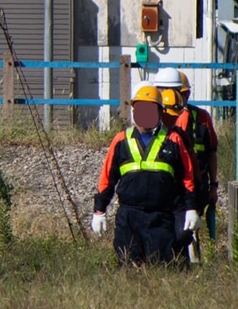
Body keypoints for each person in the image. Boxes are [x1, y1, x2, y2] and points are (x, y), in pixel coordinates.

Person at [92, 83, 198, 265]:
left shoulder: (173, 140)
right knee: (128, 265)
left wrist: (191, 208)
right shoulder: (121, 140)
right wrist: (99, 211)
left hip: (161, 217)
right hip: (129, 217)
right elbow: (107, 178)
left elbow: (187, 177)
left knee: (160, 265)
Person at [157, 68, 221, 240]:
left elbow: (211, 152)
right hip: (168, 185)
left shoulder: (201, 117)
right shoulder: (155, 119)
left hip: (195, 184)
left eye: (183, 93)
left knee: (188, 230)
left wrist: (213, 186)